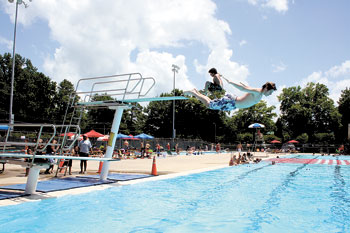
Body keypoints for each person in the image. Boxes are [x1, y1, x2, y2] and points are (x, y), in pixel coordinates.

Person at [184, 78, 277, 111]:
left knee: (210, 104)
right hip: (231, 102)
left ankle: (196, 92)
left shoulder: (259, 93)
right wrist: (231, 82)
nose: (270, 94)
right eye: (270, 92)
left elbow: (246, 87)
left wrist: (244, 85)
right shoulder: (258, 91)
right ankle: (193, 92)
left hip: (232, 106)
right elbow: (243, 89)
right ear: (266, 88)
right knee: (209, 105)